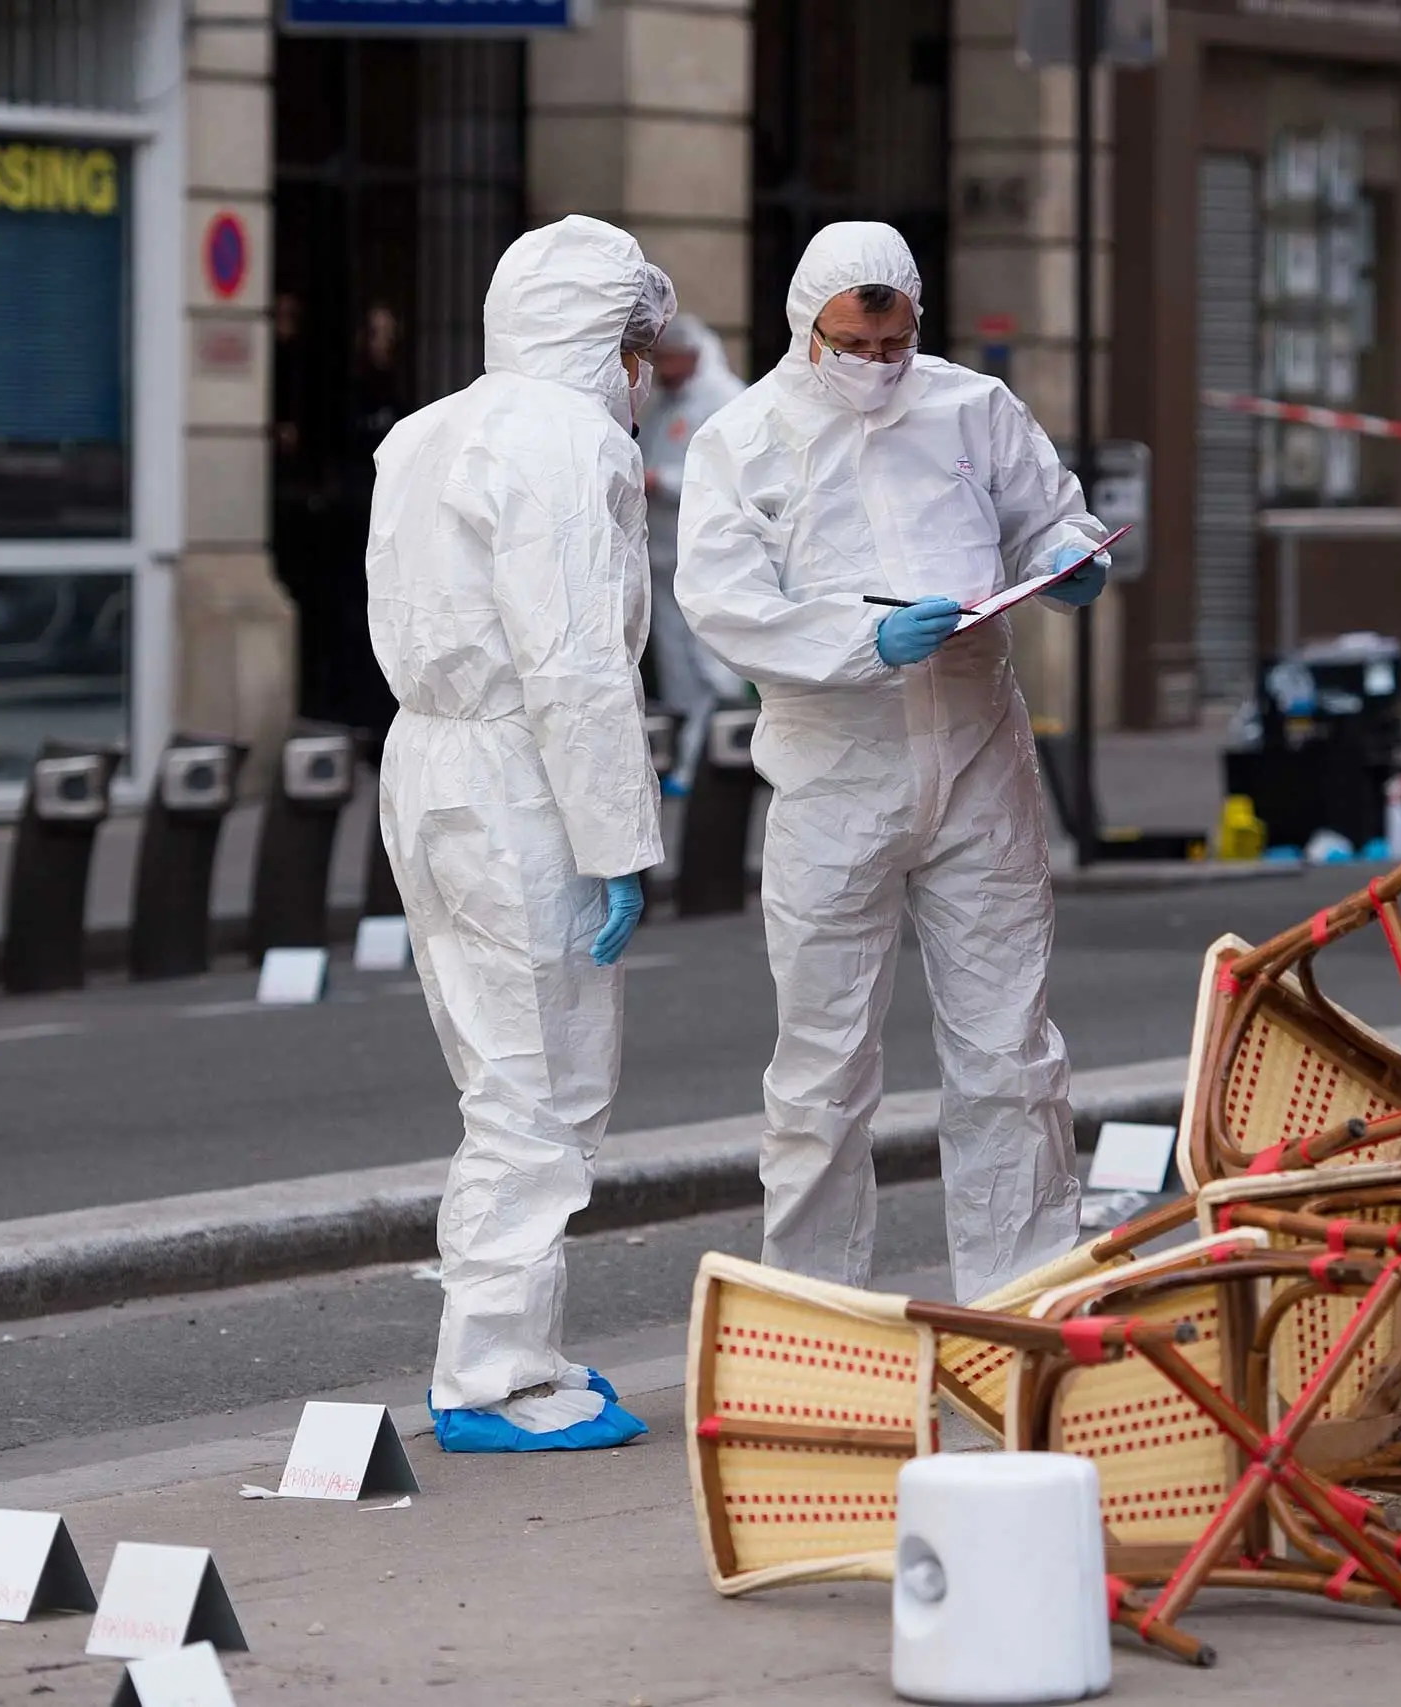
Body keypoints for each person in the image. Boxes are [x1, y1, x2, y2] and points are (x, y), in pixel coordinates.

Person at [674, 221, 1111, 1304]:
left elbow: (1051, 517)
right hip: (834, 770)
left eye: (893, 344)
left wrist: (1064, 561)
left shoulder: (972, 407)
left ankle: (1024, 1306)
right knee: (822, 1071)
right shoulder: (744, 439)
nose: (874, 368)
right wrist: (860, 645)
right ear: (803, 327)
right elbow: (723, 605)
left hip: (977, 756)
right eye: (850, 345)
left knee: (1010, 1053)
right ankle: (815, 1325)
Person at [364, 215, 675, 1452]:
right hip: (519, 776)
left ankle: (515, 1342)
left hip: (425, 758)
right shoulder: (569, 441)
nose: (645, 369)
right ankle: (491, 1375)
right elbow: (574, 663)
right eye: (638, 343)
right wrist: (618, 844)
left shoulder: (422, 430)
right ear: (607, 338)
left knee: (495, 1067)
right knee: (539, 1091)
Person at [638, 312, 750, 793]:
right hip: (665, 555)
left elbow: (731, 481)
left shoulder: (725, 400)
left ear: (691, 354)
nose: (660, 368)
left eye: (667, 358)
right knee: (676, 663)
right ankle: (686, 763)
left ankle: (719, 762)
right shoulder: (666, 402)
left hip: (707, 558)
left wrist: (659, 481)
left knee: (711, 664)